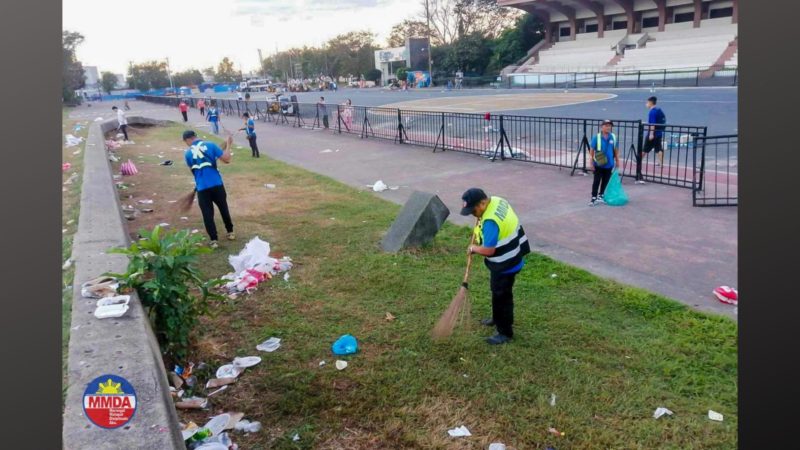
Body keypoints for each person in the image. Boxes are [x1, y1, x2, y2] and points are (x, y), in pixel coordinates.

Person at [461, 188, 530, 345]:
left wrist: (473, 248)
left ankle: (505, 332)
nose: (473, 214)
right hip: (515, 253)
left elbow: (489, 250)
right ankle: (496, 318)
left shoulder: (490, 222)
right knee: (497, 292)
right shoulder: (497, 200)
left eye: (473, 210)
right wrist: (480, 217)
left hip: (505, 263)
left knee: (502, 297)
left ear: (483, 203)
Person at [182, 130, 235, 248]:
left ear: (188, 139)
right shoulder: (210, 145)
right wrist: (228, 144)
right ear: (195, 136)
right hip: (216, 183)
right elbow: (226, 159)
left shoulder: (187, 154)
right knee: (223, 208)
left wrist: (200, 179)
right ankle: (230, 232)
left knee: (207, 214)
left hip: (202, 187)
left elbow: (193, 171)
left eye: (186, 142)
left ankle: (213, 240)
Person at [588, 119, 620, 206]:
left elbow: (616, 150)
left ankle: (601, 195)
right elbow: (591, 151)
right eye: (606, 125)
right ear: (601, 127)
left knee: (606, 181)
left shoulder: (613, 137)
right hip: (598, 164)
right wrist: (591, 163)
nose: (608, 127)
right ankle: (593, 197)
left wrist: (617, 161)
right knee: (596, 181)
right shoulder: (596, 137)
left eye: (609, 126)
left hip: (609, 164)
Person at [642, 96, 667, 171]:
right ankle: (661, 163)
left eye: (647, 102)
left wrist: (651, 134)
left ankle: (638, 160)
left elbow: (652, 124)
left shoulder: (652, 112)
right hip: (659, 133)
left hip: (653, 133)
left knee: (645, 148)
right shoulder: (659, 110)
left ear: (650, 102)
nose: (646, 104)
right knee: (658, 148)